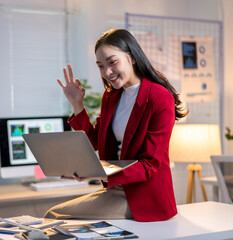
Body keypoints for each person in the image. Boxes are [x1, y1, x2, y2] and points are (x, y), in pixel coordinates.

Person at [44, 28, 188, 222]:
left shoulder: (159, 98)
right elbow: (94, 142)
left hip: (144, 197)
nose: (107, 72)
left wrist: (99, 173)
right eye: (101, 66)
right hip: (116, 188)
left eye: (112, 62)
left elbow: (150, 164)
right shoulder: (111, 96)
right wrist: (77, 104)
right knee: (53, 216)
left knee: (54, 216)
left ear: (133, 57)